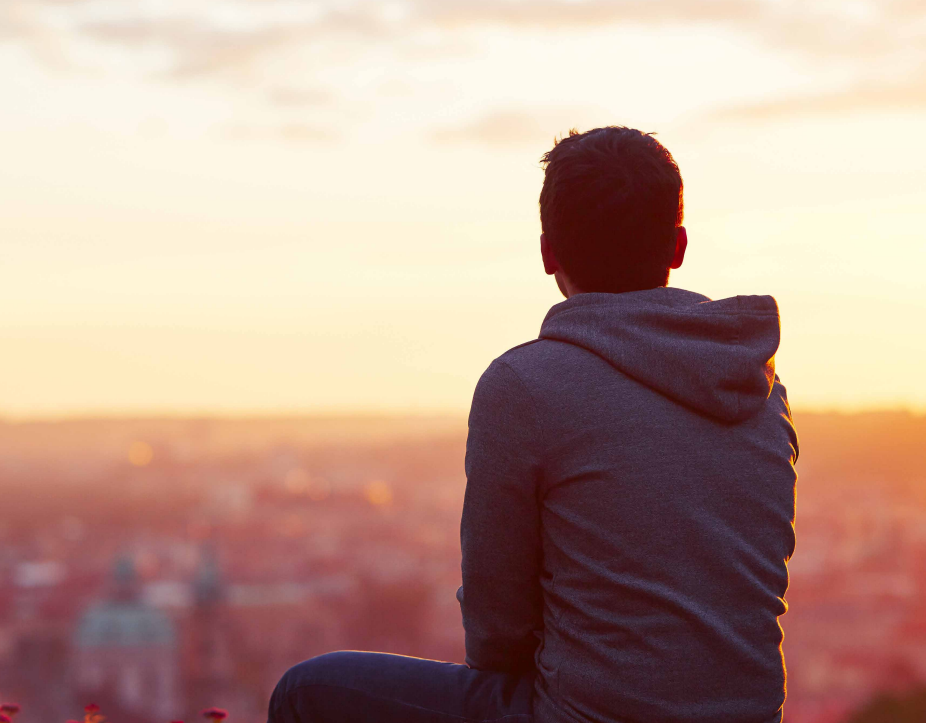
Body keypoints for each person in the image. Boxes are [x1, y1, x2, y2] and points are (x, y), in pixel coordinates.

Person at [269, 126, 798, 722]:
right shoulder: (758, 386)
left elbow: (497, 633)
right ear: (678, 246)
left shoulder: (527, 385)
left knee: (305, 692)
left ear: (548, 254)